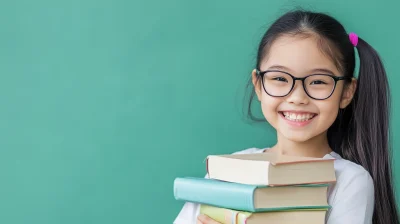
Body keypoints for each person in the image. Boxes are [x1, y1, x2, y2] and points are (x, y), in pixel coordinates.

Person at [174, 9, 399, 224]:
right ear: (259, 85)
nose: (297, 97)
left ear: (347, 92)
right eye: (280, 79)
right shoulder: (229, 169)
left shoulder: (348, 180)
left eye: (318, 81)